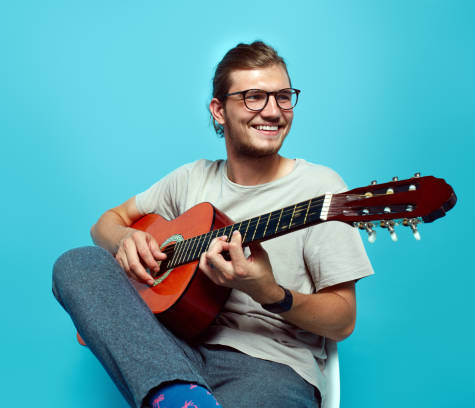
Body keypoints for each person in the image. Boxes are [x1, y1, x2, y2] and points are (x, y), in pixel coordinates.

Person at [52, 41, 373, 408]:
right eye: (254, 97)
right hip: (171, 354)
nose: (273, 111)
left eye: (283, 97)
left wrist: (270, 292)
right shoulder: (190, 179)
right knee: (77, 263)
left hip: (268, 367)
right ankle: (178, 396)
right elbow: (103, 226)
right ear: (219, 110)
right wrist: (127, 238)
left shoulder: (321, 190)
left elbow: (343, 321)